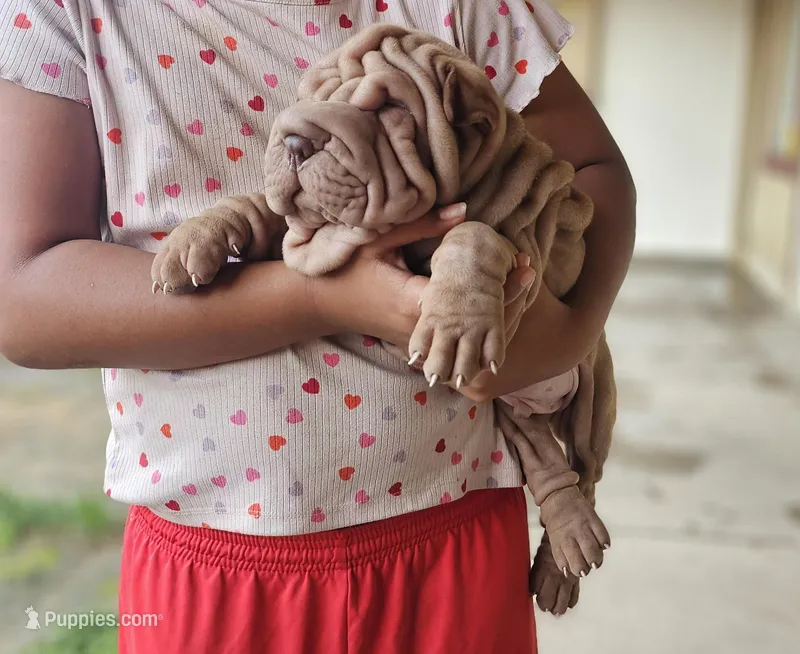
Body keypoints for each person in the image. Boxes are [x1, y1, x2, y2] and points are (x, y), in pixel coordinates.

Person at [0, 1, 635, 652]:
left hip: (452, 525)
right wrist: (325, 297)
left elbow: (591, 174)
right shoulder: (66, 12)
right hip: (210, 552)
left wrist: (566, 338)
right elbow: (24, 299)